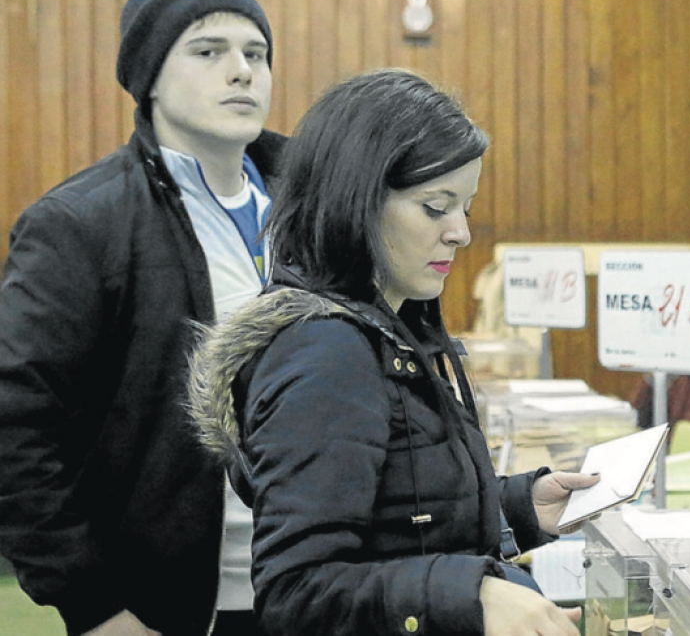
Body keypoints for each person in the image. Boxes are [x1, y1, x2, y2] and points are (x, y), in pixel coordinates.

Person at [187, 69, 599, 636]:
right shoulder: (327, 354)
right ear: (356, 204)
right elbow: (296, 595)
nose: (461, 233)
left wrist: (520, 507)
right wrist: (472, 596)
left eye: (466, 207)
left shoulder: (390, 326)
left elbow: (400, 514)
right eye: (436, 207)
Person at [0, 0, 283, 635]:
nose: (241, 71)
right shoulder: (79, 225)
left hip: (314, 590)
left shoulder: (316, 206)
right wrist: (93, 604)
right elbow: (14, 428)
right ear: (150, 76)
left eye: (256, 53)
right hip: (165, 607)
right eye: (209, 51)